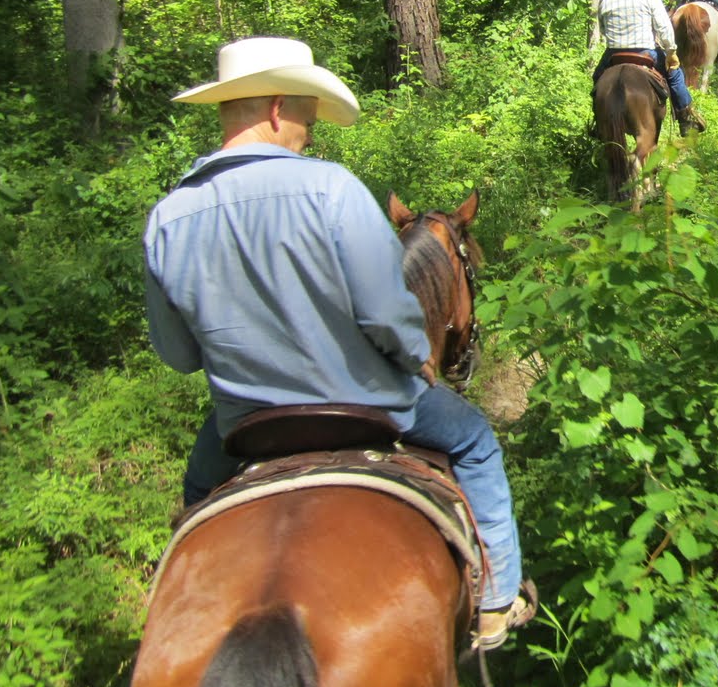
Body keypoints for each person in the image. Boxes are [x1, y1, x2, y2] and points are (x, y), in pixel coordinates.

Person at [143, 36, 534, 653]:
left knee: (197, 500)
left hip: (246, 426)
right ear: (276, 109)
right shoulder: (332, 190)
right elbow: (389, 315)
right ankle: (494, 602)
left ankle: (173, 612)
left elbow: (179, 355)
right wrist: (414, 359)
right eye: (307, 116)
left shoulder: (169, 216)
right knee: (476, 442)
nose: (310, 133)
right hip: (369, 406)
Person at [595, 0, 707, 135]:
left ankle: (598, 122)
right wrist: (671, 51)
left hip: (614, 53)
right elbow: (663, 26)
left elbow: (603, 27)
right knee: (675, 75)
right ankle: (685, 117)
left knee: (597, 78)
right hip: (646, 53)